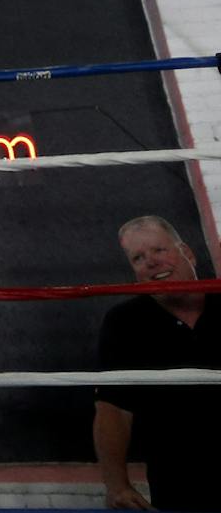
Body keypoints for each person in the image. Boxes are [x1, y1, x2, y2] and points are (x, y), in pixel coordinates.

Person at [93, 215, 221, 510]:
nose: (151, 262)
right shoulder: (124, 322)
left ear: (187, 253)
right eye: (138, 258)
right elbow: (113, 408)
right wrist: (116, 484)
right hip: (181, 485)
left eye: (159, 250)